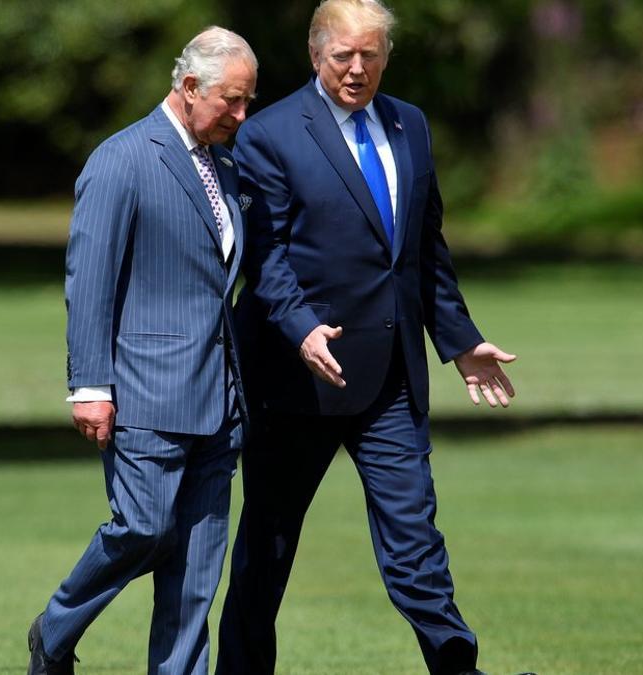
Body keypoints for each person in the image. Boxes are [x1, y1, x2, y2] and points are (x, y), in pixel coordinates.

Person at [217, 2, 528, 674]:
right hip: (297, 378)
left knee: (416, 544)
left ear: (386, 55)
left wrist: (459, 339)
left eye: (371, 54)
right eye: (343, 56)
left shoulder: (409, 124)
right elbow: (263, 257)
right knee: (266, 549)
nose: (357, 69)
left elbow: (422, 248)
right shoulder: (269, 135)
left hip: (389, 378)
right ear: (315, 53)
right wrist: (301, 330)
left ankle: (457, 667)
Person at [25, 27, 257, 675]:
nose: (242, 115)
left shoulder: (228, 168)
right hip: (144, 393)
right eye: (231, 101)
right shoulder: (121, 159)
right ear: (188, 88)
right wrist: (89, 385)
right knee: (145, 528)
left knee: (197, 566)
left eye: (248, 101)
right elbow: (89, 278)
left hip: (221, 397)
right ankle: (56, 628)